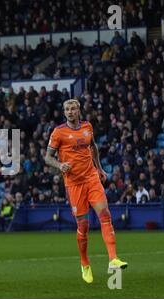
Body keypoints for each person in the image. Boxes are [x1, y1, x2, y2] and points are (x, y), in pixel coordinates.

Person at [44, 99, 127, 284]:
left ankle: (113, 259)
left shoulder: (88, 126)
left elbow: (93, 146)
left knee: (105, 215)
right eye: (67, 109)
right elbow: (47, 157)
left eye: (73, 108)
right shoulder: (58, 132)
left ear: (79, 110)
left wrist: (100, 168)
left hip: (91, 179)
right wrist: (60, 165)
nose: (70, 111)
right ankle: (85, 264)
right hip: (74, 184)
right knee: (83, 226)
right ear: (64, 112)